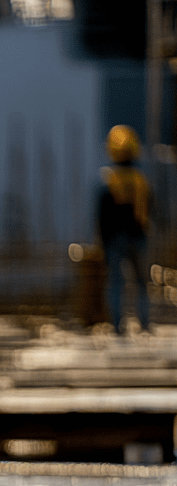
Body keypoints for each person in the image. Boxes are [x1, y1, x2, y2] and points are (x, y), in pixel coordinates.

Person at [99, 124, 151, 335]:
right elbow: (151, 208)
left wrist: (102, 242)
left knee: (116, 283)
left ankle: (117, 325)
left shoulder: (108, 180)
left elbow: (102, 215)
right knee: (141, 283)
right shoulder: (140, 180)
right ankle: (145, 323)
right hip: (139, 237)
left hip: (115, 239)